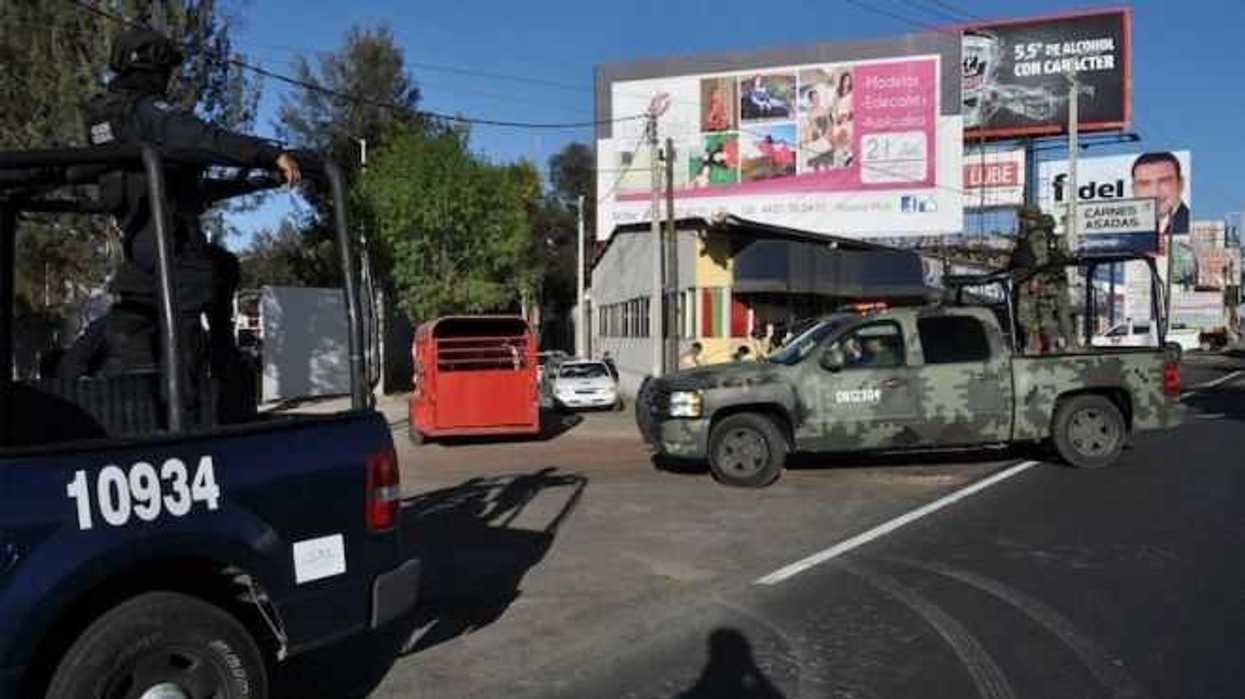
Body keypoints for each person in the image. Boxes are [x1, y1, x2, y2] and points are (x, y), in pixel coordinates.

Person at [73, 27, 301, 424]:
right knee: (191, 335)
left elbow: (171, 188)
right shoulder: (147, 112)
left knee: (143, 316)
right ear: (153, 66)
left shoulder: (105, 117)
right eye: (166, 70)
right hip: (171, 249)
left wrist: (257, 180)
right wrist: (270, 154)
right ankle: (191, 425)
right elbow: (206, 139)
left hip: (139, 254)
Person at [1131, 152, 1189, 241]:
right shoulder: (1126, 232)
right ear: (1134, 190)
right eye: (1144, 184)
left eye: (1164, 182)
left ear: (1180, 184)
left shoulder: (1192, 226)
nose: (1155, 193)